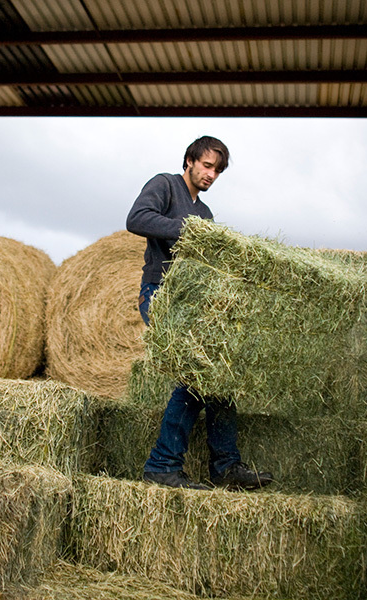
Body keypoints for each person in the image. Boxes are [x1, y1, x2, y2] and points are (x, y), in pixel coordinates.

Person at [126, 136, 274, 491]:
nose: (211, 174)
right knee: (196, 375)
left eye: (217, 171)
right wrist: (189, 231)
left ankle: (226, 467)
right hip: (160, 294)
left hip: (192, 302)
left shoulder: (205, 213)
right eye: (207, 165)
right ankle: (161, 465)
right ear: (190, 161)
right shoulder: (165, 185)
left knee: (218, 375)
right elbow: (137, 218)